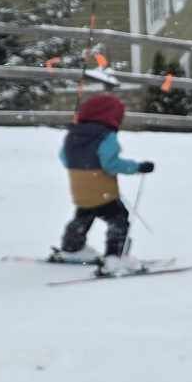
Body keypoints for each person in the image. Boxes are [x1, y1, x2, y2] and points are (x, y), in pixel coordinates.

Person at [53, 93, 154, 272]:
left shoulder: (72, 134)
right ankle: (115, 257)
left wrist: (83, 167)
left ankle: (72, 248)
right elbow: (110, 164)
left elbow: (64, 157)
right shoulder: (106, 136)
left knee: (84, 215)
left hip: (80, 189)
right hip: (102, 191)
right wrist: (138, 167)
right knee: (119, 219)